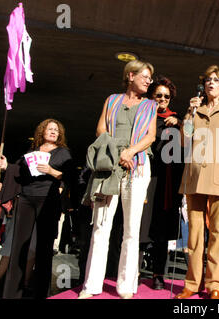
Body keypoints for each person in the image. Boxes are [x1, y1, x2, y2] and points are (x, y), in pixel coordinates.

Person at [79, 60, 157, 299]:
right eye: (144, 76)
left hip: (137, 166)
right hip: (109, 166)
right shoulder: (111, 100)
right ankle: (91, 286)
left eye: (150, 78)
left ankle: (125, 286)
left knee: (132, 229)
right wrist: (117, 151)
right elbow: (101, 129)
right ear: (130, 75)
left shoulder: (150, 105)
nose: (148, 81)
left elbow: (151, 136)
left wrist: (130, 151)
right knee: (101, 226)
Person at [174, 65, 219, 299]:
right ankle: (192, 284)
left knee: (217, 233)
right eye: (207, 80)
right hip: (194, 179)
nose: (210, 83)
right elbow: (184, 142)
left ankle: (215, 284)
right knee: (194, 234)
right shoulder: (196, 109)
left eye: (215, 80)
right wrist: (189, 113)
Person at [0, 119, 74, 299]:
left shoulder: (63, 153)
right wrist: (5, 167)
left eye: (56, 130)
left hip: (47, 200)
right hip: (25, 199)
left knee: (44, 248)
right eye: (50, 129)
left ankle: (40, 293)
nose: (54, 132)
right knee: (18, 247)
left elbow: (70, 175)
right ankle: (11, 293)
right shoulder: (31, 151)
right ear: (42, 132)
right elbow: (19, 172)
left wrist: (50, 171)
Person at [146, 76, 184, 290]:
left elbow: (187, 148)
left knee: (161, 231)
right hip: (145, 178)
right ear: (152, 96)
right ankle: (128, 271)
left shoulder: (176, 119)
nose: (162, 99)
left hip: (167, 182)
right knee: (139, 228)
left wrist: (179, 124)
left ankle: (158, 274)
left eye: (166, 96)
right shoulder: (143, 116)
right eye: (158, 95)